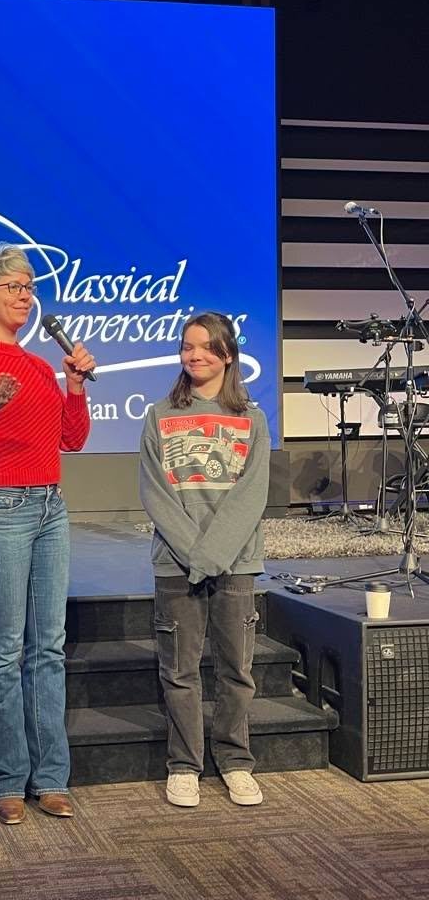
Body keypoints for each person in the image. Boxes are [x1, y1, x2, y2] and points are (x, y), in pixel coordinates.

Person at [0, 244, 95, 824]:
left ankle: (50, 778)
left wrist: (74, 385)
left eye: (29, 287)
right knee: (6, 648)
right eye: (13, 287)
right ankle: (7, 779)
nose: (25, 297)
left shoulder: (36, 366)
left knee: (47, 646)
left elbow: (72, 440)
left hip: (50, 505)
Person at [138, 311, 270, 809]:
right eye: (187, 346)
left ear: (227, 355)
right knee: (180, 670)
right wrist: (195, 555)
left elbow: (251, 496)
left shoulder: (251, 419)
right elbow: (155, 491)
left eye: (205, 347)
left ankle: (235, 762)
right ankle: (184, 766)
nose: (194, 355)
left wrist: (212, 556)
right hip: (176, 563)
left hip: (236, 563)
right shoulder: (159, 415)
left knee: (237, 670)